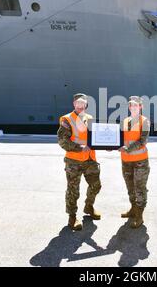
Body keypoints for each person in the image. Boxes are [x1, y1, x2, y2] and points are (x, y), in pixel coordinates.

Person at [57, 93, 102, 231]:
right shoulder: (67, 119)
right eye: (78, 103)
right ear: (74, 104)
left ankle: (89, 206)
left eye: (83, 103)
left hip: (90, 159)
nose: (80, 105)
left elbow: (96, 138)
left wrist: (108, 146)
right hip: (74, 161)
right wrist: (78, 148)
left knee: (96, 185)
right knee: (73, 190)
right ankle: (72, 216)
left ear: (86, 105)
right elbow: (62, 141)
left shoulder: (90, 119)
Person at [119, 96, 151, 229]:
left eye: (136, 105)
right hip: (126, 161)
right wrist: (111, 146)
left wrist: (127, 149)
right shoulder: (124, 121)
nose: (133, 107)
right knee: (130, 188)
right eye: (131, 105)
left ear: (140, 107)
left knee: (140, 188)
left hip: (140, 162)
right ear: (129, 107)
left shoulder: (145, 121)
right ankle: (133, 209)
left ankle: (139, 215)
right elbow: (119, 139)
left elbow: (142, 141)